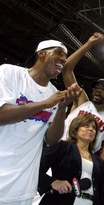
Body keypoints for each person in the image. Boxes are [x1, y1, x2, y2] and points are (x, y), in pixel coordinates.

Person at [0, 39, 82, 204]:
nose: (63, 59)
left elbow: (51, 141)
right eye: (58, 52)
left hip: (23, 188)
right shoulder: (10, 72)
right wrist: (46, 104)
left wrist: (61, 109)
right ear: (42, 53)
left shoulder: (54, 93)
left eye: (65, 57)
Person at [61, 32, 104, 176]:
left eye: (103, 88)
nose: (98, 90)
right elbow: (67, 68)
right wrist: (89, 44)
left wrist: (99, 184)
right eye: (96, 87)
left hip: (84, 160)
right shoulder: (82, 100)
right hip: (61, 149)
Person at [37, 113, 104, 205]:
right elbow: (35, 169)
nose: (91, 129)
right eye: (86, 125)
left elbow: (100, 191)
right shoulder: (62, 147)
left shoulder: (99, 162)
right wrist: (53, 182)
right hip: (60, 201)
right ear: (75, 130)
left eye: (94, 128)